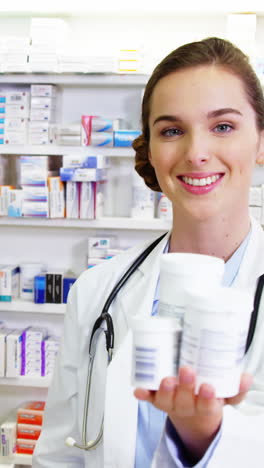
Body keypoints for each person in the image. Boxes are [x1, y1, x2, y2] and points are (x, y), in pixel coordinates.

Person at [33, 37, 264, 468]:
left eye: (223, 126)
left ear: (261, 142)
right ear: (152, 151)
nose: (196, 153)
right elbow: (57, 456)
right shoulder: (97, 292)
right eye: (172, 131)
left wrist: (205, 438)